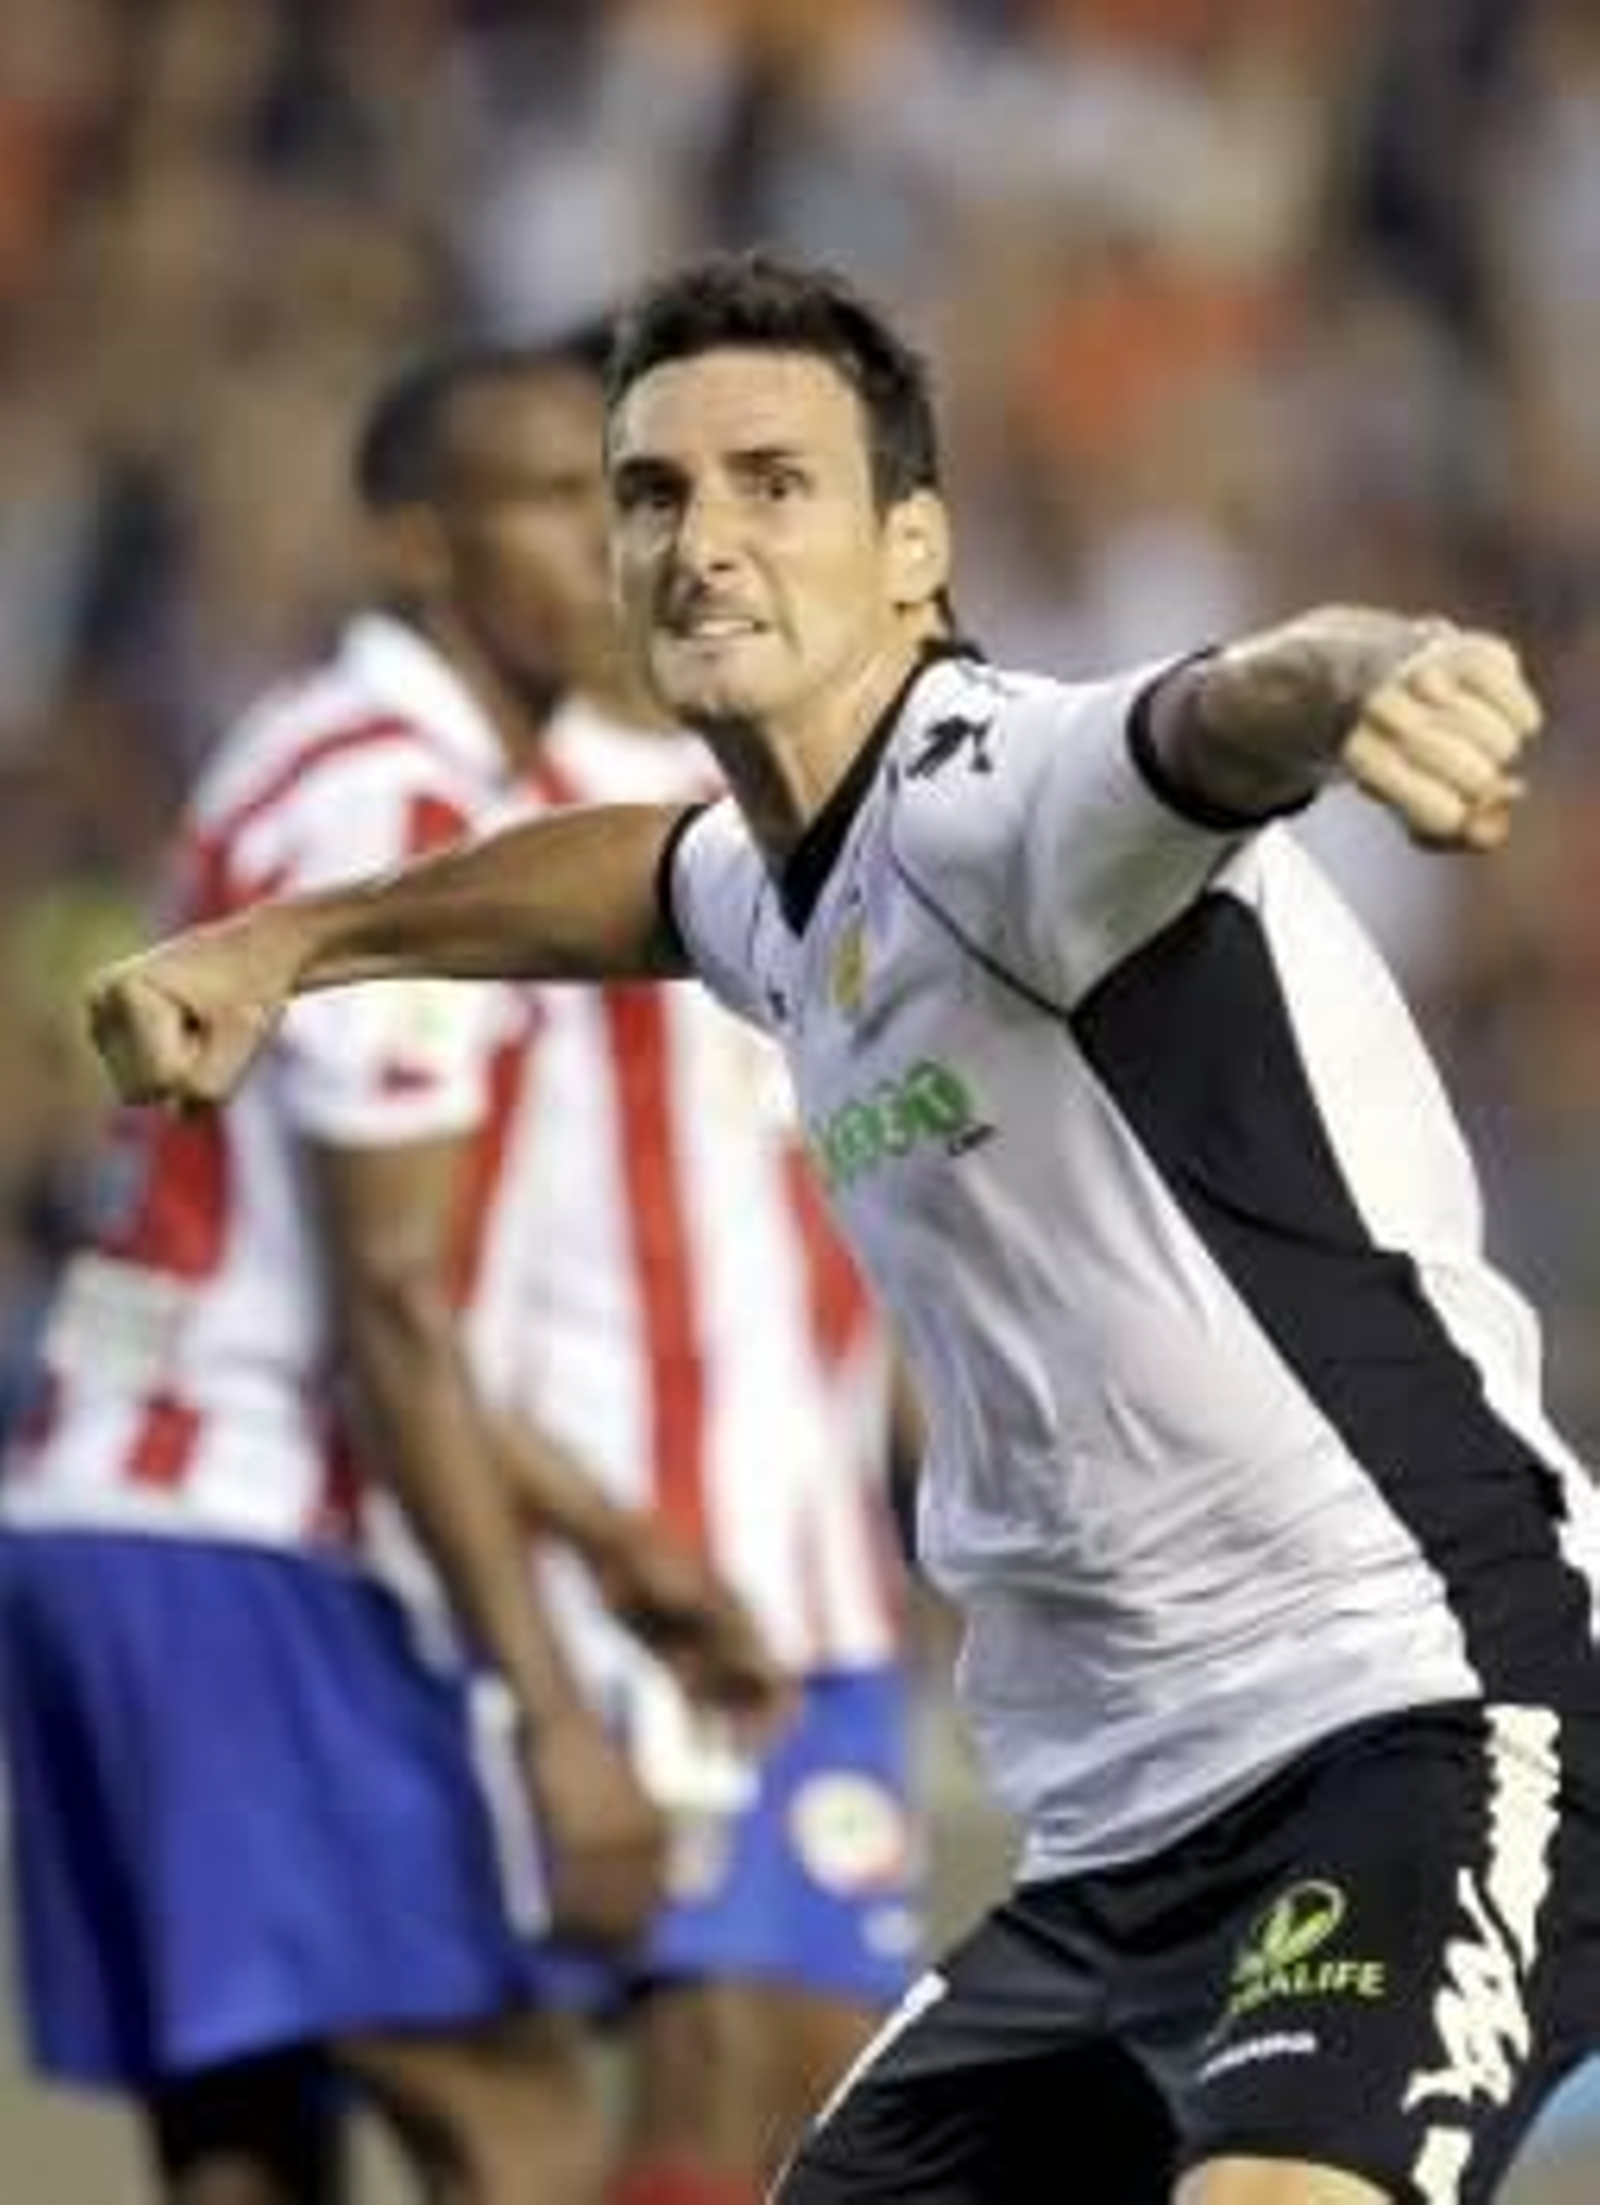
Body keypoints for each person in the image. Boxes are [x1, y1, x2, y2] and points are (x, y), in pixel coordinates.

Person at [84, 249, 1600, 2205]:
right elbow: (636, 879)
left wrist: (1369, 669)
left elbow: (1219, 715)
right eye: (653, 492)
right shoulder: (785, 882)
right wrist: (294, 943)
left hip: (1413, 1719)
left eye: (770, 482)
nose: (700, 536)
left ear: (912, 546)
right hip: (1111, 1839)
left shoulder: (1000, 795)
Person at [0, 337, 776, 2205]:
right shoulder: (399, 808)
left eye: (635, 502)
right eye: (561, 502)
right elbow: (391, 1308)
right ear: (420, 546)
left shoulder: (322, 753)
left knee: (250, 2147)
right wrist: (558, 1707)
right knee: (507, 2102)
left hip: (116, 1506)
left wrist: (603, 1535)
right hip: (239, 1542)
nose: (620, 553)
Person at [496, 668, 922, 2205]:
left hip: (829, 1570)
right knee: (714, 2044)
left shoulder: (876, 792)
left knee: (839, 2080)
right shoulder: (529, 811)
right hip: (654, 1550)